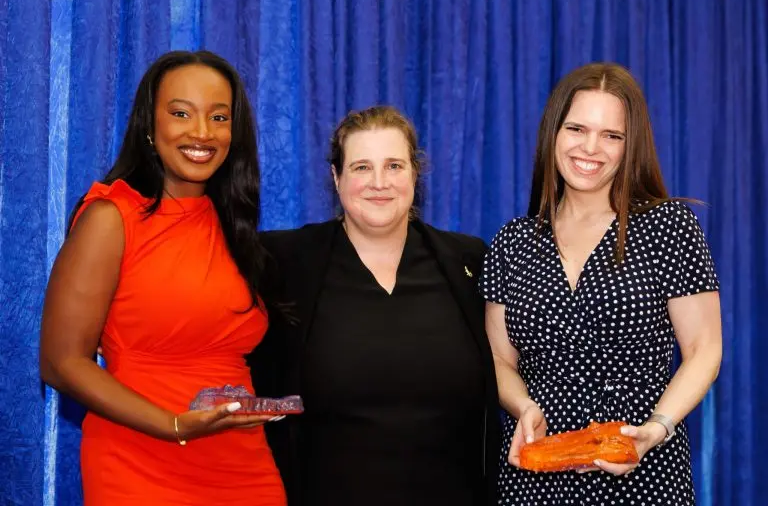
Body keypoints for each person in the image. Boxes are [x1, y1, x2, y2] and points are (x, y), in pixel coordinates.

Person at [39, 50, 286, 505]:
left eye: (219, 117)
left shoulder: (234, 227)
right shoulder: (111, 218)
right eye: (180, 113)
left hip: (241, 465)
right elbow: (60, 362)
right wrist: (172, 424)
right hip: (138, 462)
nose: (202, 132)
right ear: (149, 128)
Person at [481, 62, 722, 505]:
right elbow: (499, 358)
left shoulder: (668, 227)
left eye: (612, 135)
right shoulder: (511, 241)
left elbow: (704, 349)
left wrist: (655, 430)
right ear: (554, 131)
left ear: (631, 146)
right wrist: (523, 407)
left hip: (641, 471)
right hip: (536, 472)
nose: (591, 147)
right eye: (577, 128)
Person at [249, 105, 500, 506]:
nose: (379, 183)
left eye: (395, 166)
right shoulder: (283, 261)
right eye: (362, 167)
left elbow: (509, 364)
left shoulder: (467, 260)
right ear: (336, 177)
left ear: (415, 175)